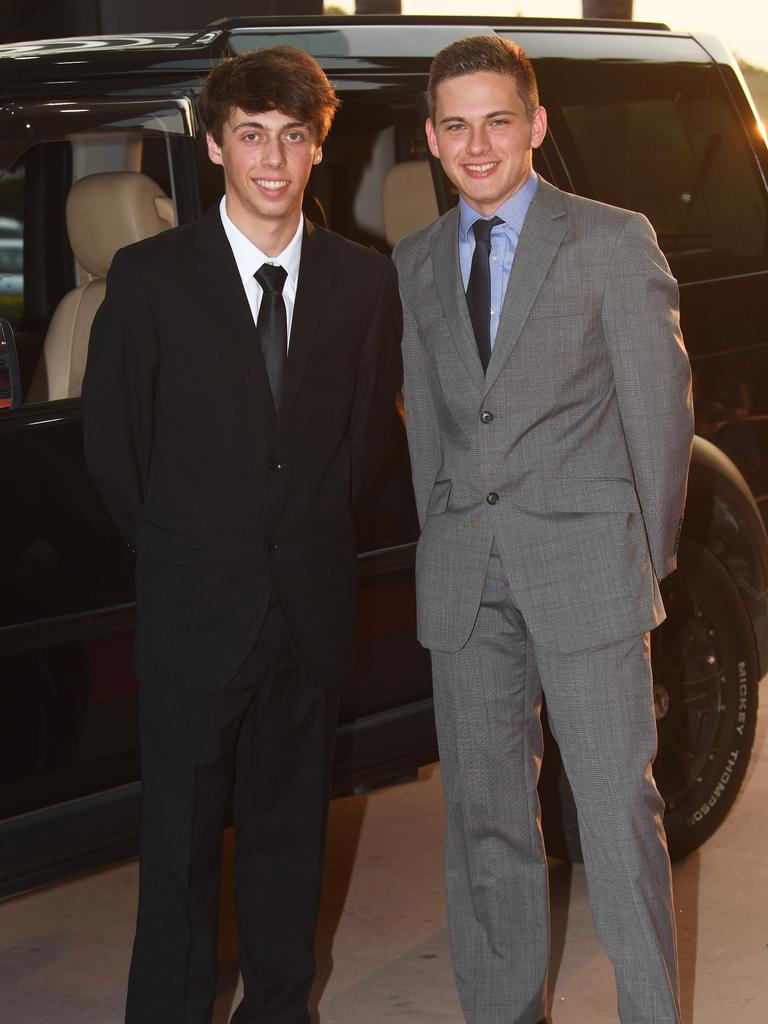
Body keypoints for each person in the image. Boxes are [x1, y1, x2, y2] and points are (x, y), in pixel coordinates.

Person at [82, 45, 401, 1024]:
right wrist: (196, 546)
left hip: (304, 615)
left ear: (317, 150)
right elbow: (114, 452)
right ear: (215, 143)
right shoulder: (148, 280)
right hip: (194, 614)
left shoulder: (362, 284)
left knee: (288, 846)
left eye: (294, 137)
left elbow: (359, 453)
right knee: (175, 857)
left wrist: (290, 538)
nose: (274, 158)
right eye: (252, 135)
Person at [393, 35, 693, 1024]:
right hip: (465, 583)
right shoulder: (418, 259)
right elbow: (431, 432)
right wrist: (439, 546)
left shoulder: (610, 238)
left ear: (536, 125)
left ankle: (652, 1011)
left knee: (614, 816)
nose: (478, 144)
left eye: (498, 120)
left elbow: (660, 412)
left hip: (588, 573)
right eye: (456, 125)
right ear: (433, 138)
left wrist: (644, 557)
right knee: (484, 826)